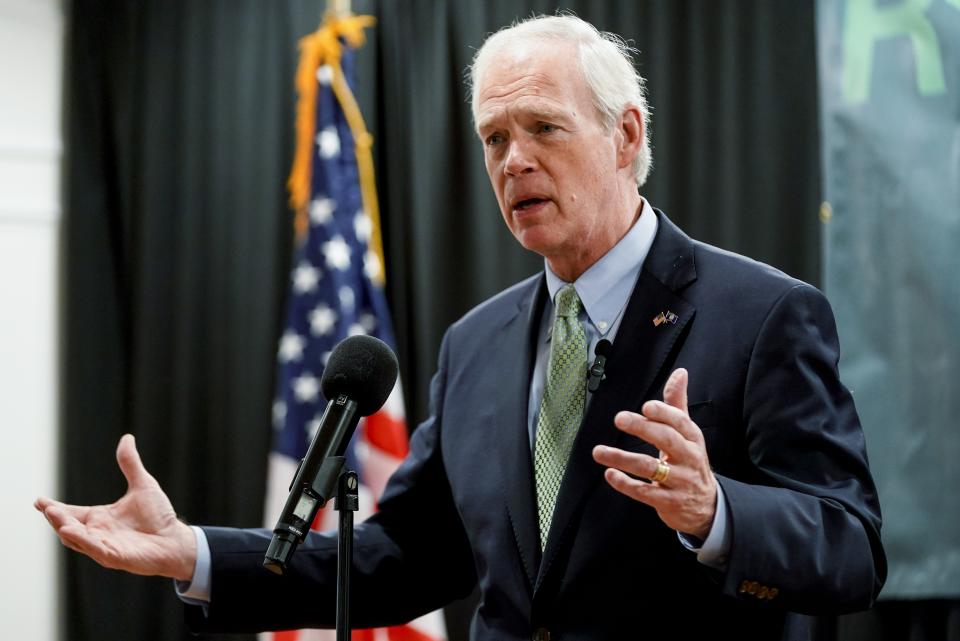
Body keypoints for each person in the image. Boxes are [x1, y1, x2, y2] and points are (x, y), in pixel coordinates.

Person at [36, 14, 885, 640]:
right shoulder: (475, 344)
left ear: (625, 135)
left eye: (543, 129)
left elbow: (851, 551)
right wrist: (193, 553)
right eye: (493, 138)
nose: (514, 161)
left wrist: (716, 512)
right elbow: (402, 557)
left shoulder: (764, 313)